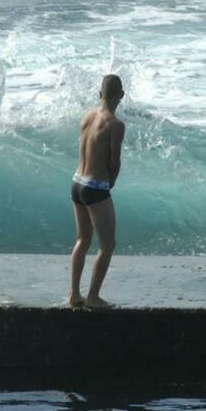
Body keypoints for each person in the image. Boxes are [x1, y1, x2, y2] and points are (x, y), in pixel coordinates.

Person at [68, 74, 126, 309]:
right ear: (121, 95)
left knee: (82, 239)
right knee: (107, 244)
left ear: (100, 94)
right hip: (95, 187)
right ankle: (93, 297)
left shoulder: (87, 116)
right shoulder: (115, 125)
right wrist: (110, 182)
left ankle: (74, 294)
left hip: (77, 182)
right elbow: (114, 162)